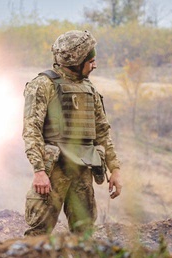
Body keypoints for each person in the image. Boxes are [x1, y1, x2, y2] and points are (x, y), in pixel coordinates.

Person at [22, 30, 122, 236]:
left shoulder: (89, 88)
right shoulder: (43, 85)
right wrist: (39, 171)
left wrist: (115, 169)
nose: (94, 65)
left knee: (84, 234)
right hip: (54, 171)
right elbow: (31, 131)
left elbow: (102, 131)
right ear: (76, 60)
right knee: (38, 234)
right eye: (91, 61)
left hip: (82, 170)